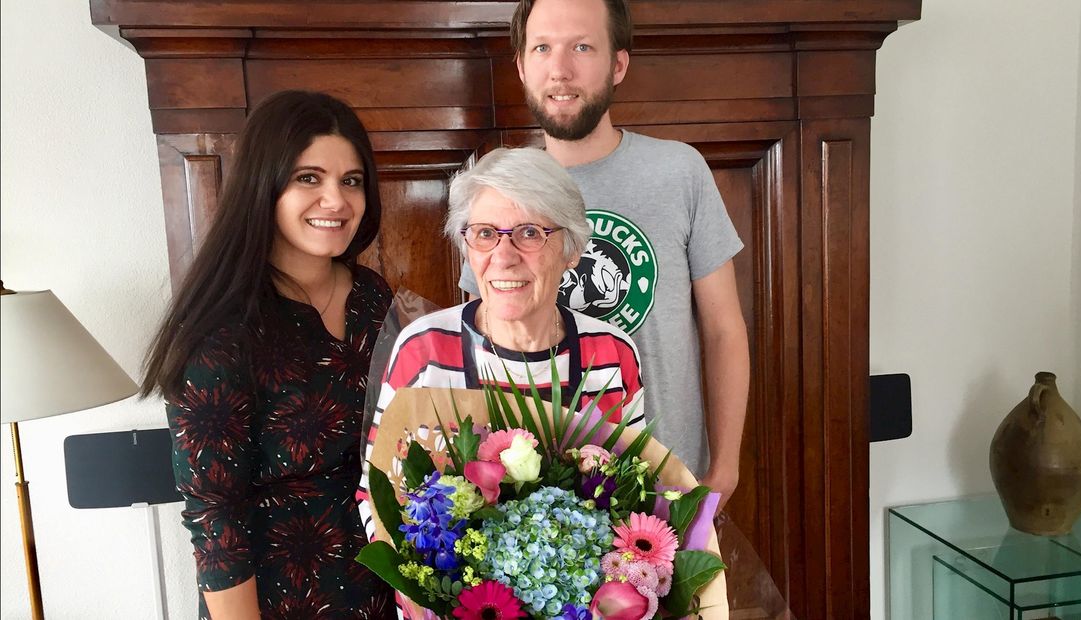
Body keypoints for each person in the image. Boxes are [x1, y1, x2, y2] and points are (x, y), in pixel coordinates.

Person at [460, 0, 751, 507]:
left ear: (618, 64)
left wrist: (724, 469)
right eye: (543, 47)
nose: (560, 69)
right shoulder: (498, 189)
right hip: (536, 499)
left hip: (669, 485)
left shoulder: (679, 173)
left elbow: (725, 328)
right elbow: (475, 344)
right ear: (522, 66)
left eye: (582, 47)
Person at [140, 90, 394, 619]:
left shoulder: (374, 298)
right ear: (264, 185)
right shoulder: (223, 332)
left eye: (351, 180)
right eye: (309, 178)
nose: (336, 201)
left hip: (388, 588)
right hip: (276, 603)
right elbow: (215, 519)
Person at [358, 146, 644, 537]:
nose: (503, 257)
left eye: (530, 233)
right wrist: (422, 589)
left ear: (572, 250)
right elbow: (376, 497)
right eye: (485, 234)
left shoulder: (612, 354)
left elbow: (637, 493)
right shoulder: (424, 351)